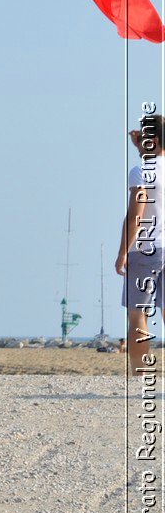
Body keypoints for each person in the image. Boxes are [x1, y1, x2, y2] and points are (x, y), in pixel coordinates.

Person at [119, 113, 162, 375]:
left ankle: (139, 374)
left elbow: (137, 214)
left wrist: (122, 252)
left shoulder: (141, 172)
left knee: (138, 314)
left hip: (147, 249)